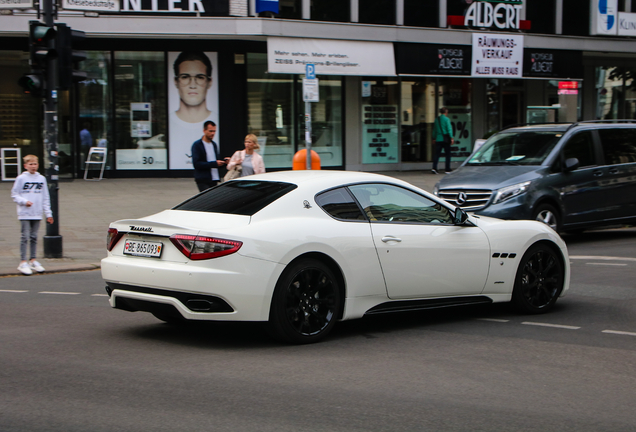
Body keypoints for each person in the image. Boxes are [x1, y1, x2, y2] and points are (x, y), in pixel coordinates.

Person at [169, 51, 219, 170]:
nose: (192, 85)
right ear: (176, 81)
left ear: (209, 82)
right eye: (185, 77)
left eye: (200, 77)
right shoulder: (168, 121)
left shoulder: (219, 120)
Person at [11, 155, 54, 275]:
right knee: (25, 237)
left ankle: (33, 260)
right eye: (30, 164)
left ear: (38, 165)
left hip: (37, 213)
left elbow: (45, 197)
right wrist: (24, 202)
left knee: (34, 237)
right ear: (25, 166)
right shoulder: (21, 178)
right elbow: (14, 194)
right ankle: (23, 261)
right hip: (25, 213)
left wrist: (48, 214)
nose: (33, 166)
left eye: (35, 164)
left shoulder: (41, 179)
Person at [191, 121, 228, 191]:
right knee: (207, 200)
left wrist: (224, 162)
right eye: (210, 131)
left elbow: (216, 160)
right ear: (204, 130)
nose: (213, 133)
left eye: (214, 131)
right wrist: (214, 163)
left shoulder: (214, 144)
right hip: (203, 179)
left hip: (214, 178)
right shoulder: (197, 145)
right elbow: (196, 163)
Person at [432, 107, 454, 174]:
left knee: (437, 154)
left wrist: (434, 138)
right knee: (447, 154)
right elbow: (449, 129)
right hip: (445, 139)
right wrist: (451, 137)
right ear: (446, 112)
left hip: (438, 139)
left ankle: (434, 168)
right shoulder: (447, 119)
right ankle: (447, 169)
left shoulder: (437, 119)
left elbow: (434, 130)